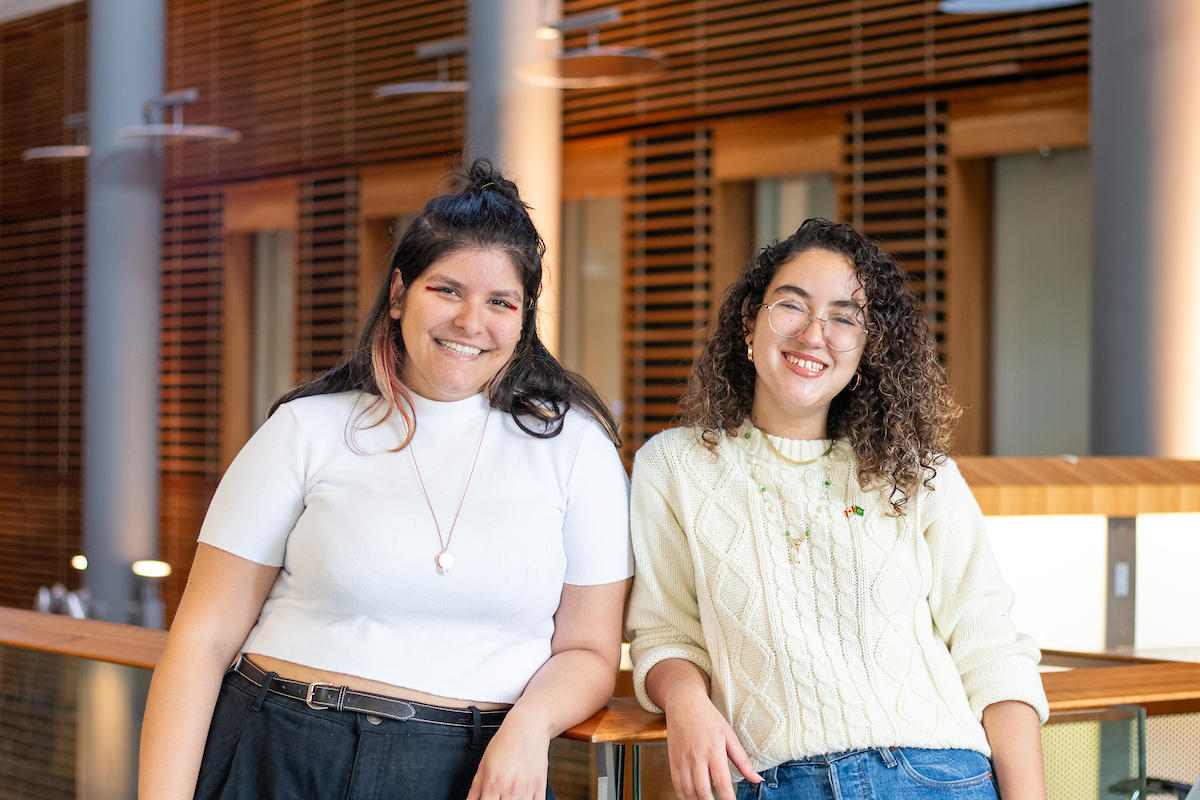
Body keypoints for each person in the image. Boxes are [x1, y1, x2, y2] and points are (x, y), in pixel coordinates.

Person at [139, 160, 632, 800]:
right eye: (447, 290)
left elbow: (591, 653)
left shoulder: (576, 450)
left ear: (523, 317)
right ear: (399, 294)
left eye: (500, 302)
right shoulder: (304, 430)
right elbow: (201, 642)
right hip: (277, 750)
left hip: (467, 768)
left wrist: (529, 726)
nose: (470, 321)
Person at [625, 218, 1048, 800]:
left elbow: (992, 651)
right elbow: (664, 631)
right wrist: (686, 705)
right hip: (770, 780)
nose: (814, 334)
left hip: (937, 775)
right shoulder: (674, 467)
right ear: (751, 320)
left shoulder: (920, 475)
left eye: (845, 317)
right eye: (792, 306)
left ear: (866, 346)